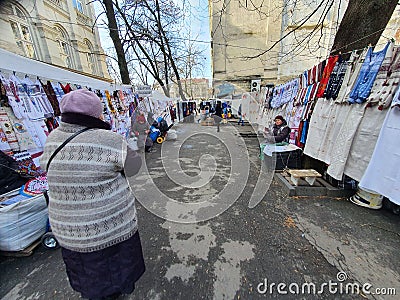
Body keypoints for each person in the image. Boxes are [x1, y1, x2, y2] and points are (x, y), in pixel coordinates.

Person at [40, 89, 145, 300]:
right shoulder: (108, 139)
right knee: (113, 278)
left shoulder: (53, 138)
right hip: (106, 231)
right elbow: (135, 167)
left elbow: (46, 167)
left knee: (89, 280)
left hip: (70, 232)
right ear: (96, 113)